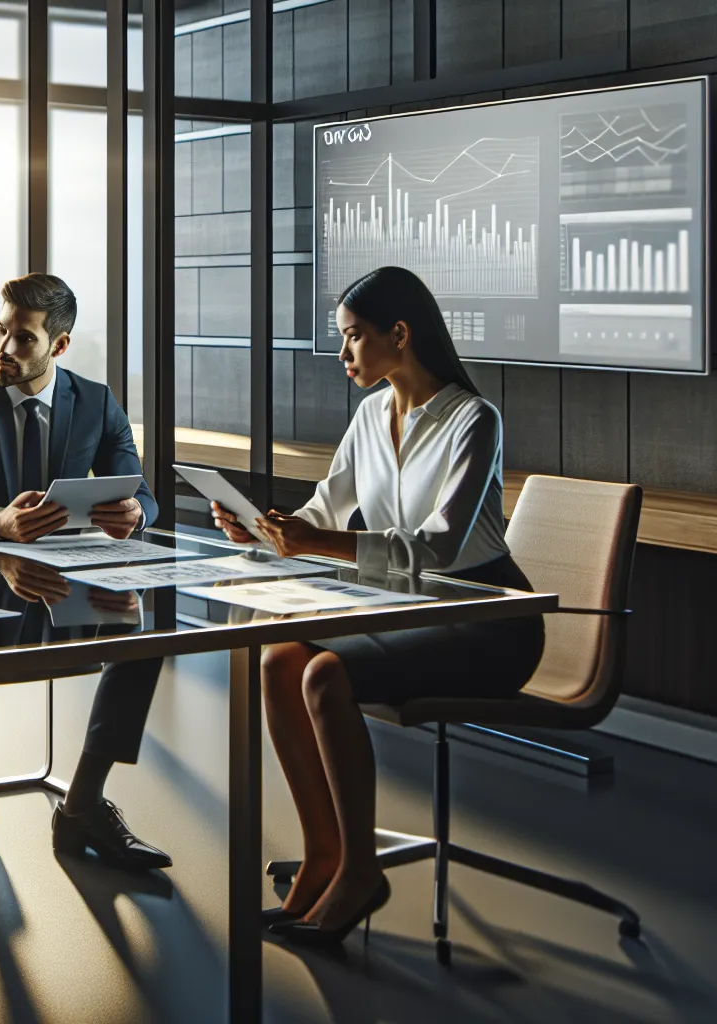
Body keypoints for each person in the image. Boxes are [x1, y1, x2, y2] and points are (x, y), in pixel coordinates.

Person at [211, 266, 545, 946]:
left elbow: (444, 545)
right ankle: (325, 856)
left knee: (326, 674)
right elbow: (323, 512)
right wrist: (265, 529)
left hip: (490, 620)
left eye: (354, 338)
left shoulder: (473, 419)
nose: (342, 355)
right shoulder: (370, 415)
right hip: (412, 615)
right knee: (279, 660)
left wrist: (319, 539)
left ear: (400, 333)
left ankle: (361, 872)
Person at [0, 272, 172, 874]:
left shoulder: (96, 400)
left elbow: (142, 490)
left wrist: (136, 511)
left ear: (59, 347)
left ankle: (83, 802)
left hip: (66, 584)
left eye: (24, 340)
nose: (4, 350)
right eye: (1, 331)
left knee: (144, 637)